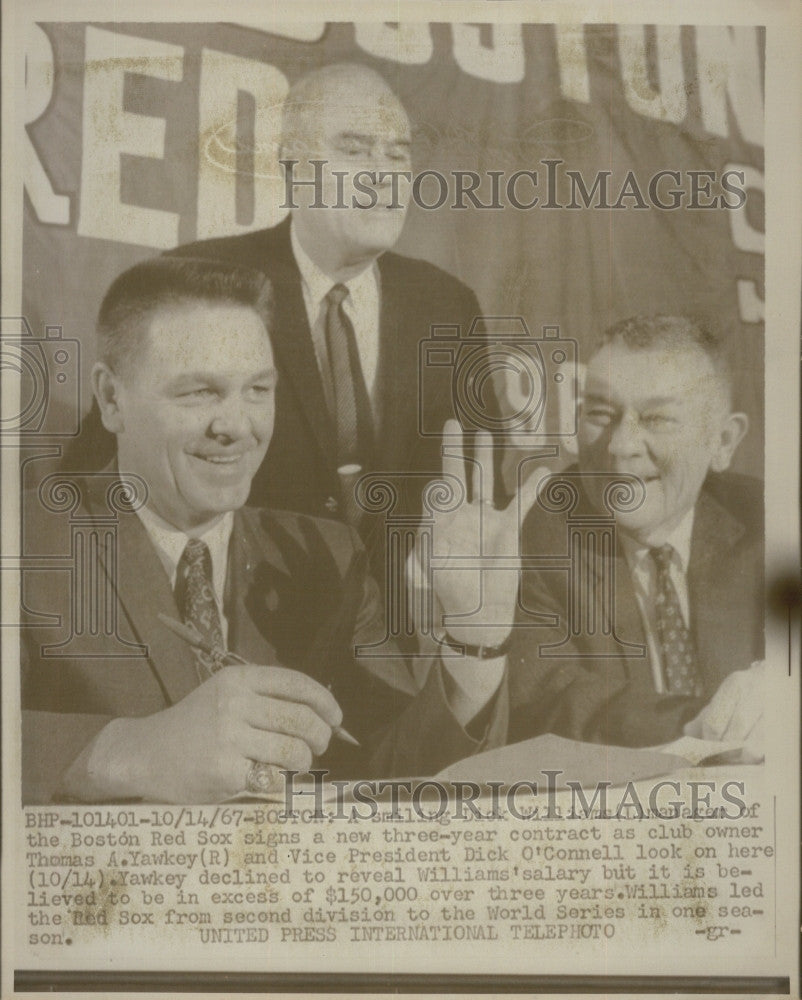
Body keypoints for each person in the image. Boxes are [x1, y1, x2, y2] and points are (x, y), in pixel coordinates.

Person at [20, 257, 508, 805]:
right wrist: (124, 750)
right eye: (198, 392)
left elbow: (391, 775)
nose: (237, 427)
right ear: (112, 400)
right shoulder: (20, 542)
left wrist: (474, 642)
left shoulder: (329, 554)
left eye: (257, 390)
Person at [163, 61, 484, 528]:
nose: (382, 175)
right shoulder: (195, 283)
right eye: (355, 151)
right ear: (292, 166)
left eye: (397, 155)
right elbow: (111, 473)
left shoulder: (448, 306)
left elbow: (473, 492)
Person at [499, 315, 764, 748]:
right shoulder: (538, 533)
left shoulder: (769, 525)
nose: (621, 445)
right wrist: (704, 722)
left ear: (723, 441)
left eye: (657, 418)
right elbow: (549, 700)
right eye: (601, 413)